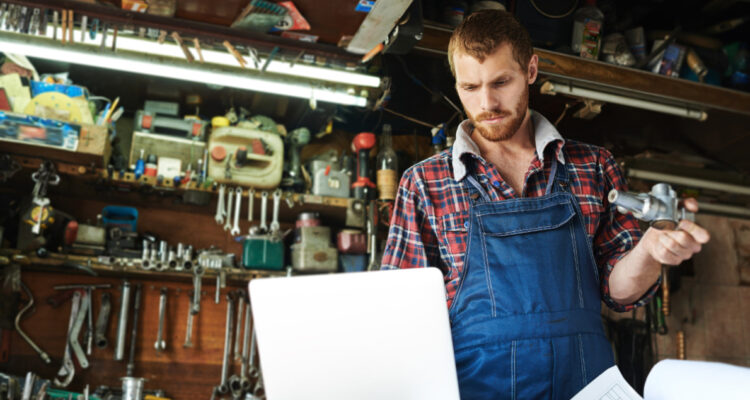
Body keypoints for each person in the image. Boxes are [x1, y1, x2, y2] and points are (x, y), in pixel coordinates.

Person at [380, 10, 710, 400]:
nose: (486, 102)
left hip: (586, 386)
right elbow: (401, 318)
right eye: (470, 87)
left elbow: (619, 292)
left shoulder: (594, 167)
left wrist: (651, 251)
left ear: (531, 70)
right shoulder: (424, 183)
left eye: (501, 82)